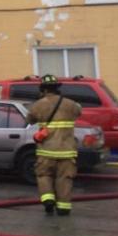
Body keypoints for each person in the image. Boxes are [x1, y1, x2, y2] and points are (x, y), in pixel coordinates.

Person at [27, 74, 83, 216]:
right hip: (67, 151)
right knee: (64, 179)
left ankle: (48, 199)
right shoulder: (71, 104)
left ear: (43, 90)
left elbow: (30, 119)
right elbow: (78, 112)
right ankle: (63, 207)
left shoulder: (38, 105)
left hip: (46, 151)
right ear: (58, 88)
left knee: (44, 175)